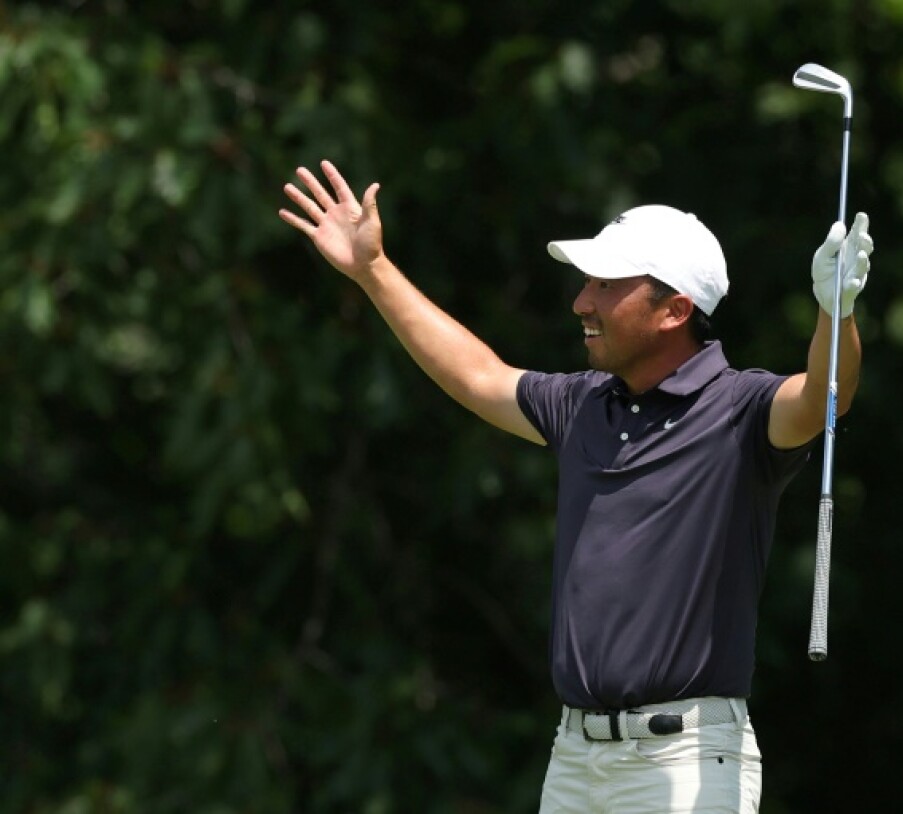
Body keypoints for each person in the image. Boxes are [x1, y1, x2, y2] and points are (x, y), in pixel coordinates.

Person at [279, 160, 873, 813]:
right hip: (574, 760)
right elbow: (478, 376)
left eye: (606, 284)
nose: (581, 301)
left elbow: (824, 397)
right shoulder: (582, 404)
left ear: (675, 308)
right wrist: (373, 270)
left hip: (685, 760)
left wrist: (834, 313)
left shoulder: (740, 411)